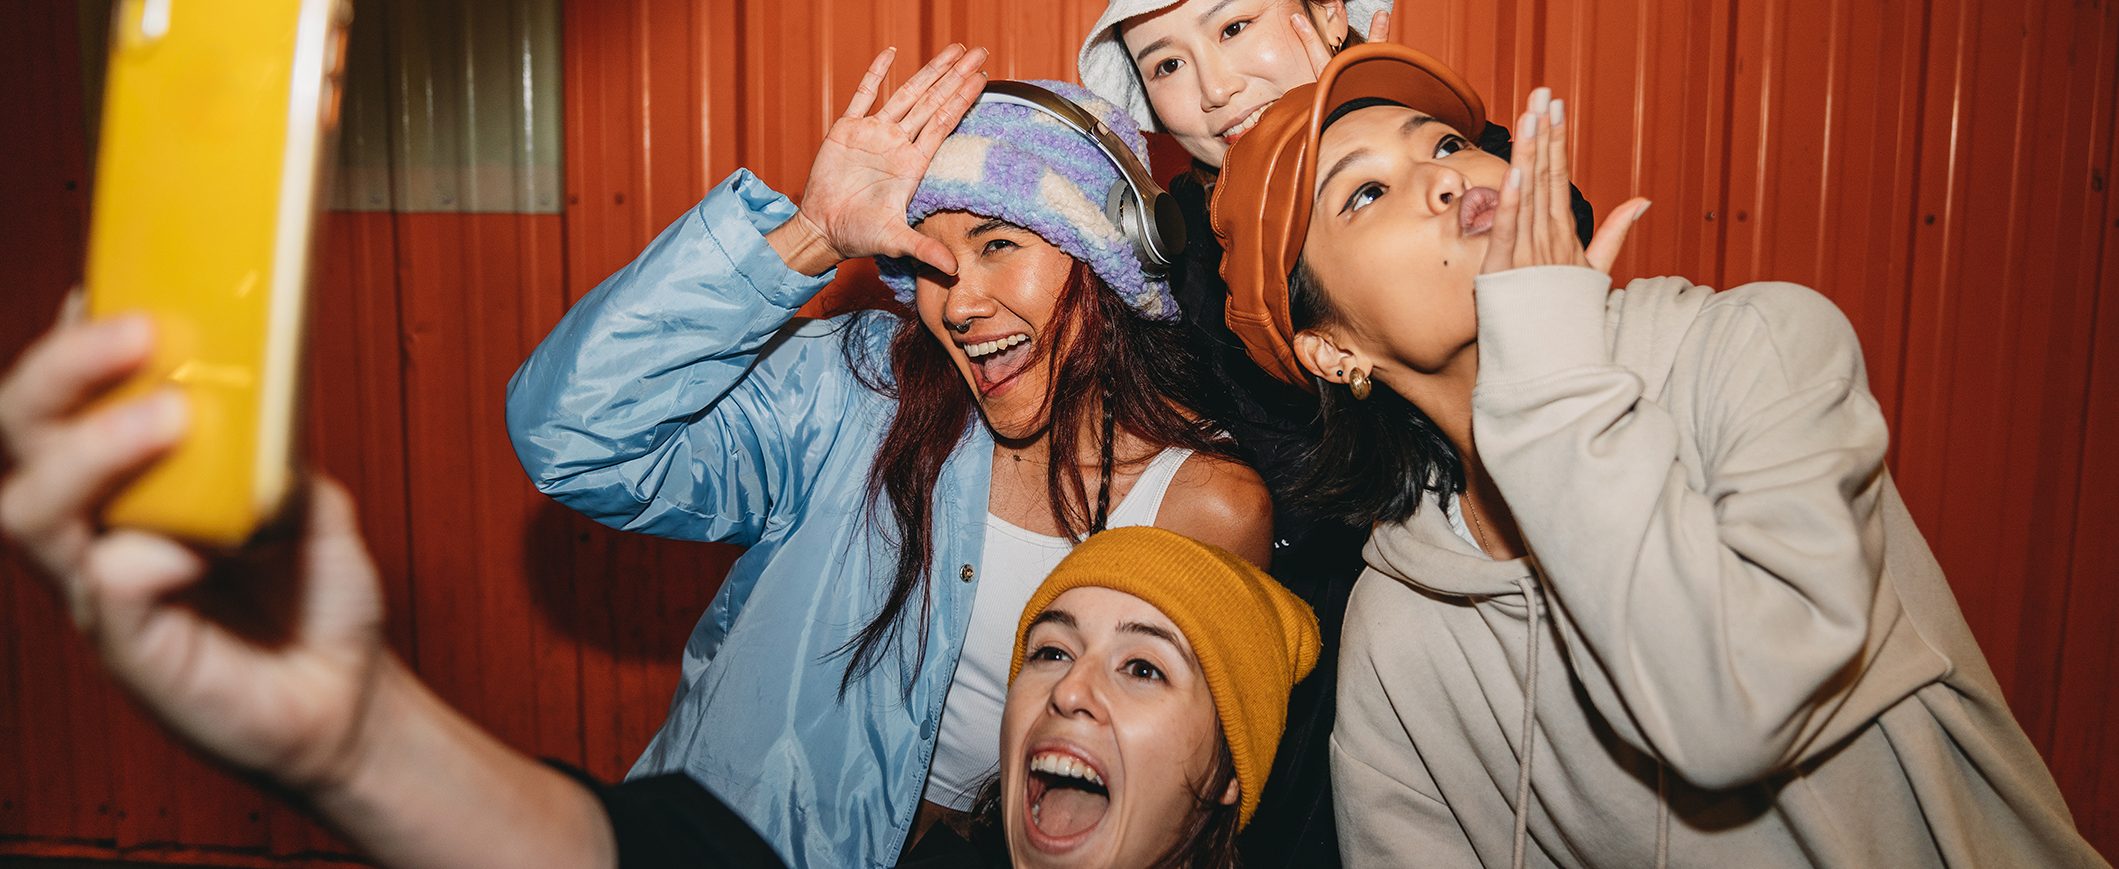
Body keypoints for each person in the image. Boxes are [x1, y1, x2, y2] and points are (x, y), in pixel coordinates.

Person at [1210, 42, 2106, 868]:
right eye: (1363, 193)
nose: (1443, 180)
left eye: (1444, 144)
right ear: (1331, 349)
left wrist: (1549, 360)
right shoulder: (1399, 629)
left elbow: (1730, 714)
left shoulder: (1754, 349)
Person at [0, 318, 1317, 869]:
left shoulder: (1204, 495)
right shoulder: (866, 389)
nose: (1072, 688)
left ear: (1223, 776)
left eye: (1142, 668)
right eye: (1045, 651)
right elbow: (641, 853)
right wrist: (357, 735)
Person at [503, 45, 1273, 867]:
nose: (962, 302)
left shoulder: (1209, 505)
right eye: (927, 262)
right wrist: (807, 235)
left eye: (998, 244)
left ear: (1109, 253)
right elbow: (572, 434)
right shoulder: (856, 394)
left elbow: (1183, 801)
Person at [1070, 2, 1591, 863]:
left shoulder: (1481, 187)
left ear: (1330, 14)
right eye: (1165, 64)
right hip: (1318, 740)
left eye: (1234, 25)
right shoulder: (1185, 287)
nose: (1214, 86)